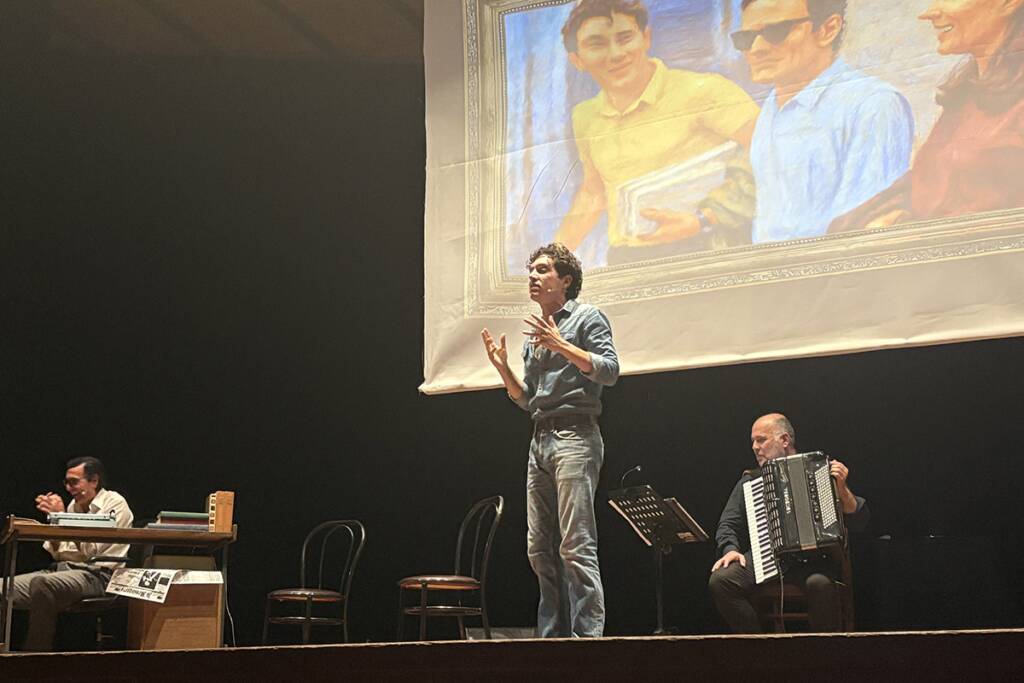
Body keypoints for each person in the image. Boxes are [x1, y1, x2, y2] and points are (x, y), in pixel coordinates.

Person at [554, 0, 761, 264]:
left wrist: (704, 219)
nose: (616, 54)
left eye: (625, 38)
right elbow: (594, 193)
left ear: (646, 38)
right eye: (597, 44)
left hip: (706, 245)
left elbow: (771, 151)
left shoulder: (705, 90)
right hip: (627, 257)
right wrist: (553, 256)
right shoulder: (585, 116)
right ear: (577, 60)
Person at [481, 243, 619, 637]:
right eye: (531, 271)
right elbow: (528, 399)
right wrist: (504, 369)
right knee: (539, 547)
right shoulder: (535, 334)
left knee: (575, 544)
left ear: (566, 280)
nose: (533, 277)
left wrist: (562, 345)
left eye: (543, 270)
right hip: (539, 440)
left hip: (576, 435)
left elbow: (610, 371)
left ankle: (585, 640)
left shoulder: (587, 317)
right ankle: (551, 640)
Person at [830, 0, 1024, 232]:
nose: (929, 13)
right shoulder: (967, 97)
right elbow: (925, 185)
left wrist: (904, 226)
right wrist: (888, 216)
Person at [734, 0, 914, 243]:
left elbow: (863, 229)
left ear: (828, 29)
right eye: (745, 38)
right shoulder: (771, 107)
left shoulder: (872, 105)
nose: (756, 49)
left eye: (776, 31)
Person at [708, 414, 868, 633]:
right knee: (721, 581)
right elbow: (728, 523)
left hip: (813, 561)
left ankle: (825, 650)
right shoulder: (751, 480)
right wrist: (730, 549)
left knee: (819, 585)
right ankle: (757, 646)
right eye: (753, 442)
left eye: (761, 440)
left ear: (784, 440)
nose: (755, 447)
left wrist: (842, 489)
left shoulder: (820, 470)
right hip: (768, 556)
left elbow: (860, 520)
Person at [6, 457, 134, 651]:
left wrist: (63, 517)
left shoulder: (114, 504)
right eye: (66, 482)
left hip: (99, 576)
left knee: (43, 584)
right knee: (2, 587)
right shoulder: (75, 506)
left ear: (94, 481)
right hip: (65, 570)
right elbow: (60, 552)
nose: (68, 488)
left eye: (74, 482)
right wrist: (55, 520)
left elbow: (91, 551)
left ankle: (35, 656)